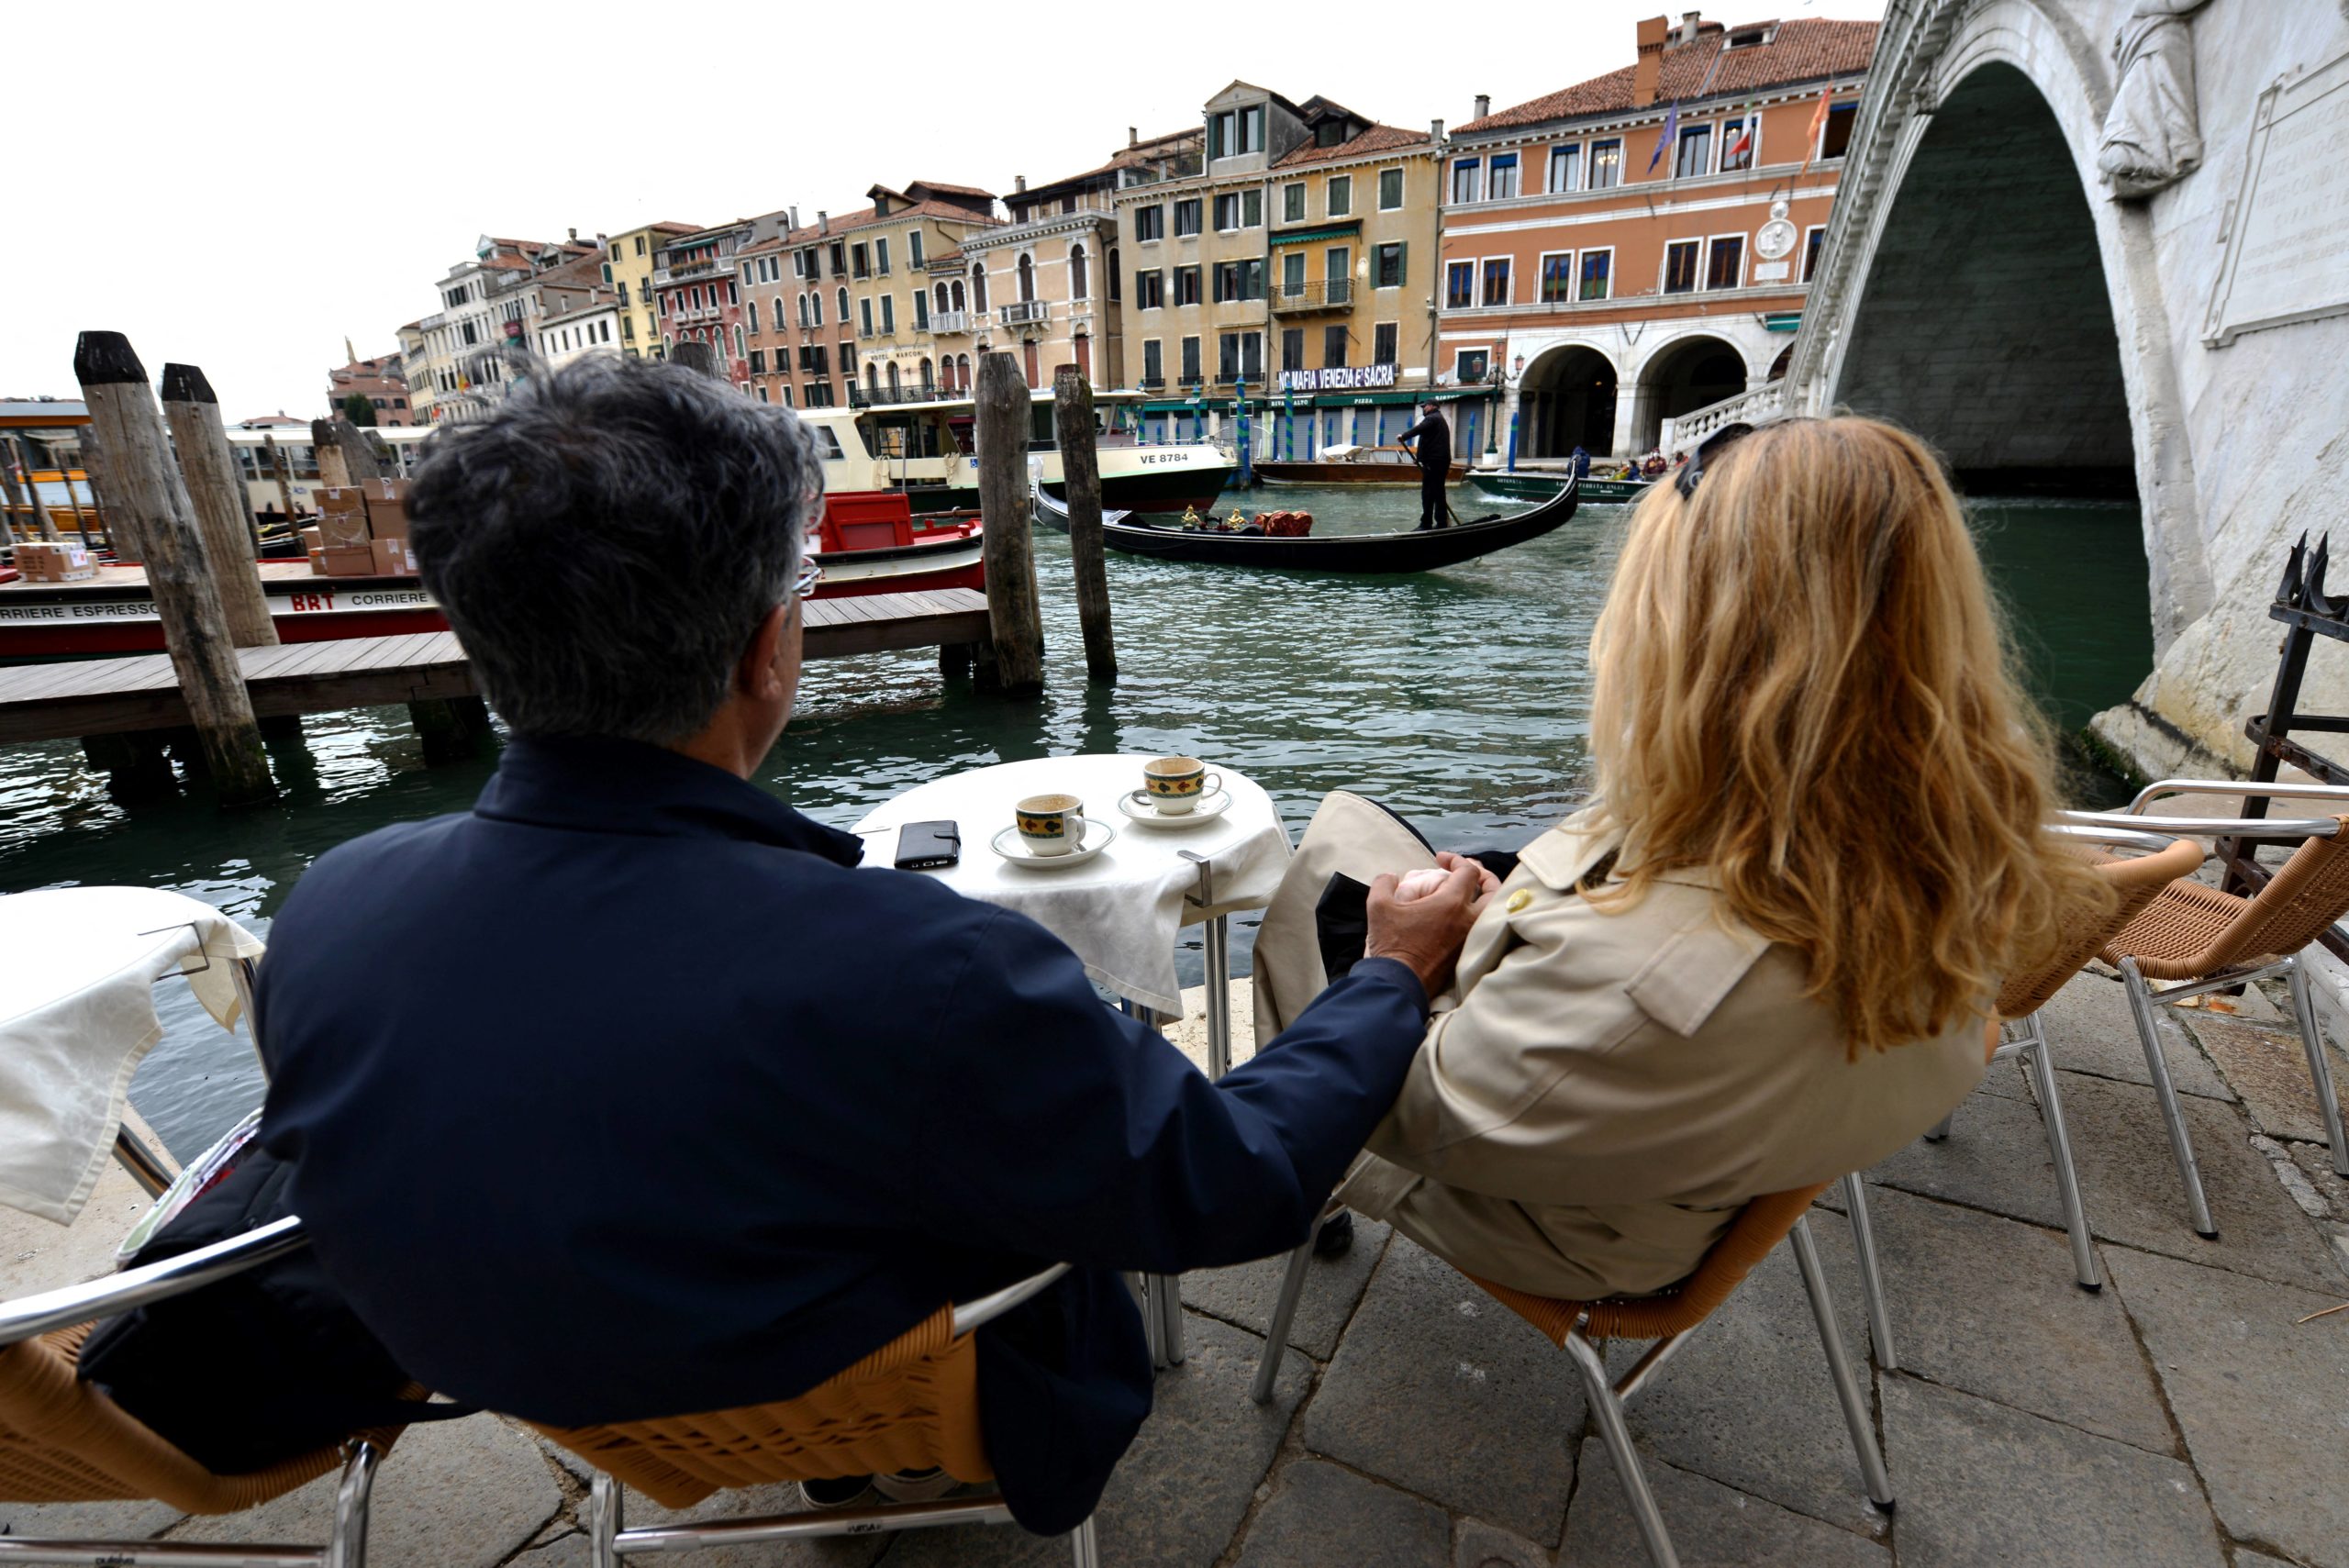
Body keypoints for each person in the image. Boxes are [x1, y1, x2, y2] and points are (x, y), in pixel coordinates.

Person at [251, 358, 1485, 1536]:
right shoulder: (932, 971)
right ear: (766, 650)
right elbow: (1239, 1179)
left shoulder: (328, 911)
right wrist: (1389, 972)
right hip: (891, 1384)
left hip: (559, 1398)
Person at [1310, 417, 2114, 1300]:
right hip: (1697, 1156)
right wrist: (1507, 920)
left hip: (1557, 1222)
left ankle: (1303, 1192)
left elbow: (1409, 1110)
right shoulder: (1962, 865)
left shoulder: (1640, 988)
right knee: (1400, 863)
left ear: (1687, 641)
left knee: (1325, 867)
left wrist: (1400, 963)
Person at [1395, 400, 1453, 529]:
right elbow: (1429, 441)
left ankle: (1427, 524)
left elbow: (1418, 429)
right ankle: (1441, 522)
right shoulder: (1437, 419)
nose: (1423, 408)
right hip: (1437, 460)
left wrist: (1403, 436)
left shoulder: (1432, 418)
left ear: (1432, 406)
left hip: (1435, 461)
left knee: (1429, 493)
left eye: (1424, 406)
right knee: (1437, 492)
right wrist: (1420, 458)